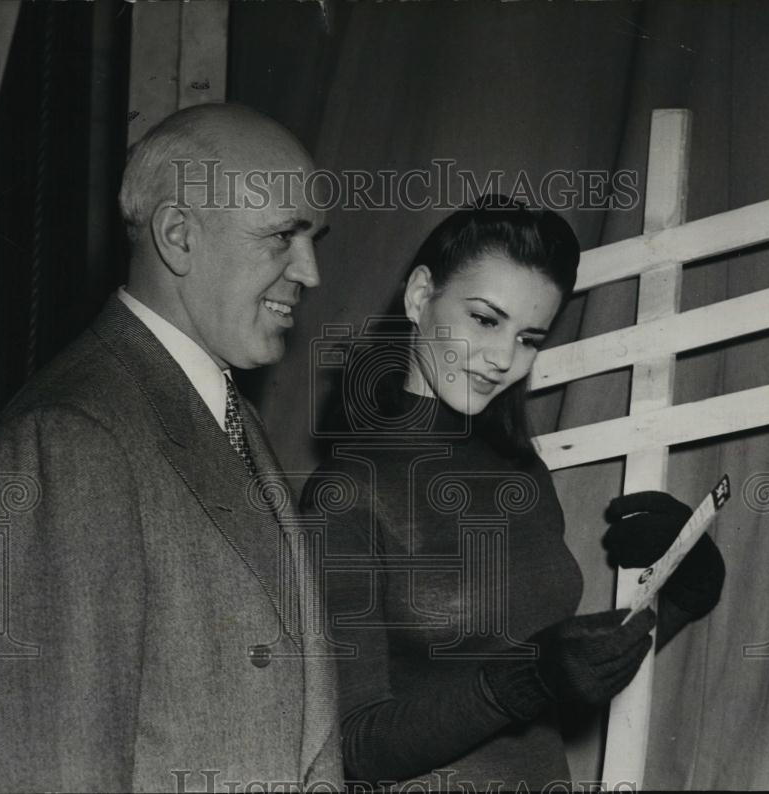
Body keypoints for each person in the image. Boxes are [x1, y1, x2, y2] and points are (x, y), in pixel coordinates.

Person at [0, 104, 342, 792]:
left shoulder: (228, 412)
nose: (309, 272)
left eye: (313, 238)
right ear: (180, 237)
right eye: (283, 236)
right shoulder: (69, 439)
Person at [301, 197, 725, 790]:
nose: (504, 358)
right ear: (421, 296)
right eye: (484, 319)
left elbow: (560, 679)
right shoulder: (345, 494)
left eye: (529, 337)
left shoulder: (520, 468)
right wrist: (529, 678)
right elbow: (353, 747)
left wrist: (681, 593)